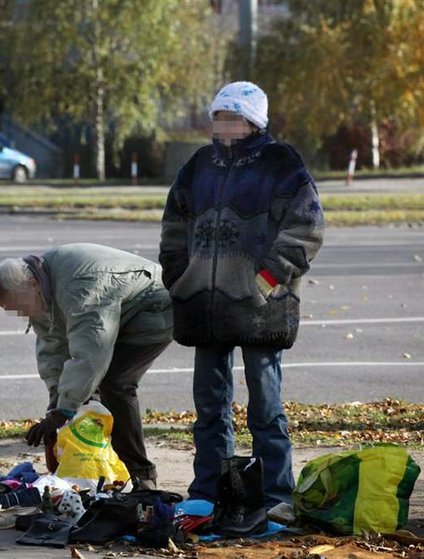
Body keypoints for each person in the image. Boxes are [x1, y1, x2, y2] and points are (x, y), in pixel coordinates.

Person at [159, 81, 324, 508]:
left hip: (261, 308)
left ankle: (275, 496)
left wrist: (268, 280)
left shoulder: (280, 162)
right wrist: (177, 276)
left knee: (266, 410)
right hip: (203, 305)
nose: (222, 125)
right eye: (218, 117)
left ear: (252, 121)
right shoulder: (198, 165)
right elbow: (174, 224)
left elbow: (306, 226)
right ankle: (207, 494)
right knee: (209, 411)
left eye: (231, 117)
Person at [0, 243, 173, 489]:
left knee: (114, 383)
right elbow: (53, 349)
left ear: (31, 285)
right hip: (124, 310)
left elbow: (91, 350)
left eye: (20, 306)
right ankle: (94, 465)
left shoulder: (79, 288)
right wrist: (56, 407)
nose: (21, 313)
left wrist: (64, 410)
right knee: (83, 394)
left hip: (156, 306)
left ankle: (140, 474)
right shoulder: (39, 287)